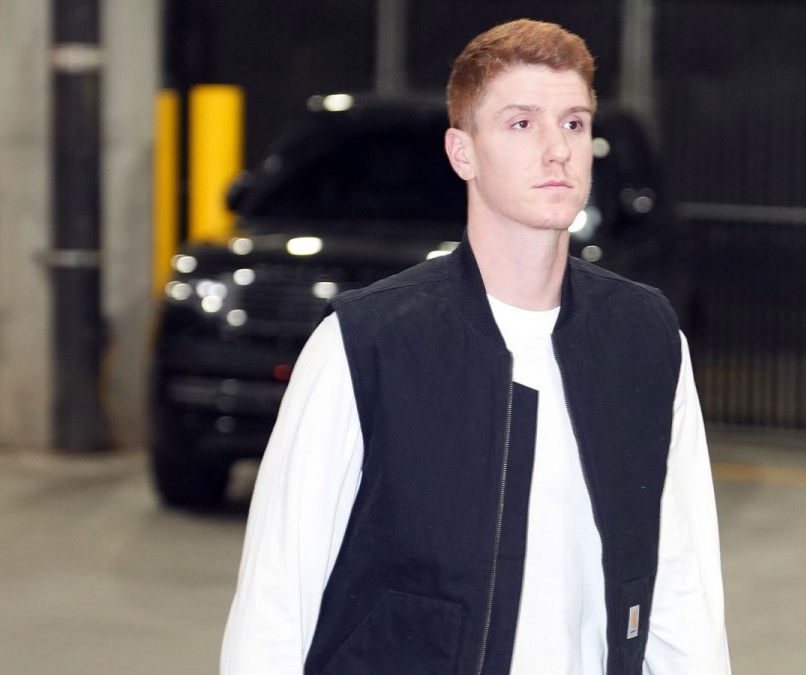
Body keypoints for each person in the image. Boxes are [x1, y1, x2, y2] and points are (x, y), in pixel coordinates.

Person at [221, 18, 730, 675]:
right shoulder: (367, 343)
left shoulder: (645, 337)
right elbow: (274, 604)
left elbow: (681, 585)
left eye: (573, 123)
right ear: (463, 152)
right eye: (522, 124)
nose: (557, 150)